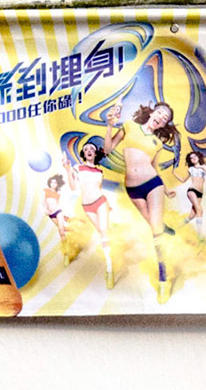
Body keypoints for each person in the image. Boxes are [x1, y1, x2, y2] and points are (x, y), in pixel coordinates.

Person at [105, 101, 180, 302]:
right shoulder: (129, 126)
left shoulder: (158, 144)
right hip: (132, 189)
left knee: (155, 231)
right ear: (152, 112)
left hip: (152, 184)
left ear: (164, 125)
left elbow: (156, 168)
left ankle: (163, 278)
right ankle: (163, 227)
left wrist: (165, 189)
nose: (161, 117)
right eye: (161, 112)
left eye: (165, 118)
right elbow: (107, 149)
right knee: (155, 225)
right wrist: (110, 125)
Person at [70, 137, 115, 286]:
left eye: (92, 149)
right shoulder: (77, 168)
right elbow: (72, 187)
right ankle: (112, 233)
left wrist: (107, 206)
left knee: (103, 232)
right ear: (83, 153)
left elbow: (99, 189)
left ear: (95, 154)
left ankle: (109, 269)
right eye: (86, 149)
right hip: (87, 206)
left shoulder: (99, 171)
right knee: (103, 233)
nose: (89, 151)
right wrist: (67, 169)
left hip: (101, 202)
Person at [42, 173, 72, 255]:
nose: (53, 184)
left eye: (55, 183)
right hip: (51, 214)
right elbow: (43, 201)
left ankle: (66, 251)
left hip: (58, 211)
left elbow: (57, 204)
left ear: (57, 184)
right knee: (64, 229)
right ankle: (74, 230)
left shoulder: (57, 194)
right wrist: (46, 209)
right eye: (52, 182)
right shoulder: (45, 190)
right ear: (49, 183)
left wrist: (63, 215)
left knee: (61, 231)